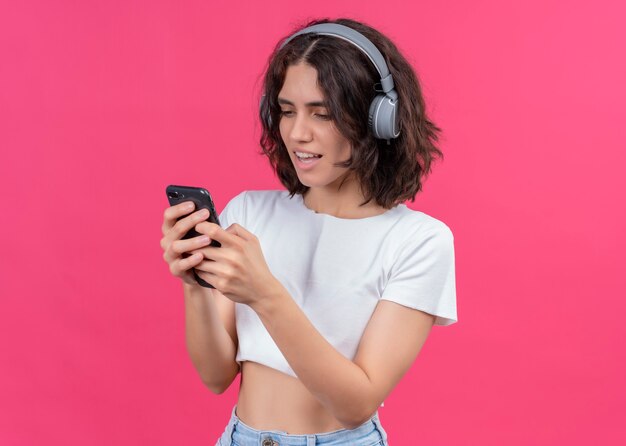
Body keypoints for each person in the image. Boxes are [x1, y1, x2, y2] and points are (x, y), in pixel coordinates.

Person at [160, 17, 457, 446]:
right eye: (286, 111)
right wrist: (195, 285)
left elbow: (356, 403)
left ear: (379, 119)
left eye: (322, 114)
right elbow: (215, 376)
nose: (297, 133)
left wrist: (265, 293)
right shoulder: (248, 211)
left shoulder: (418, 242)